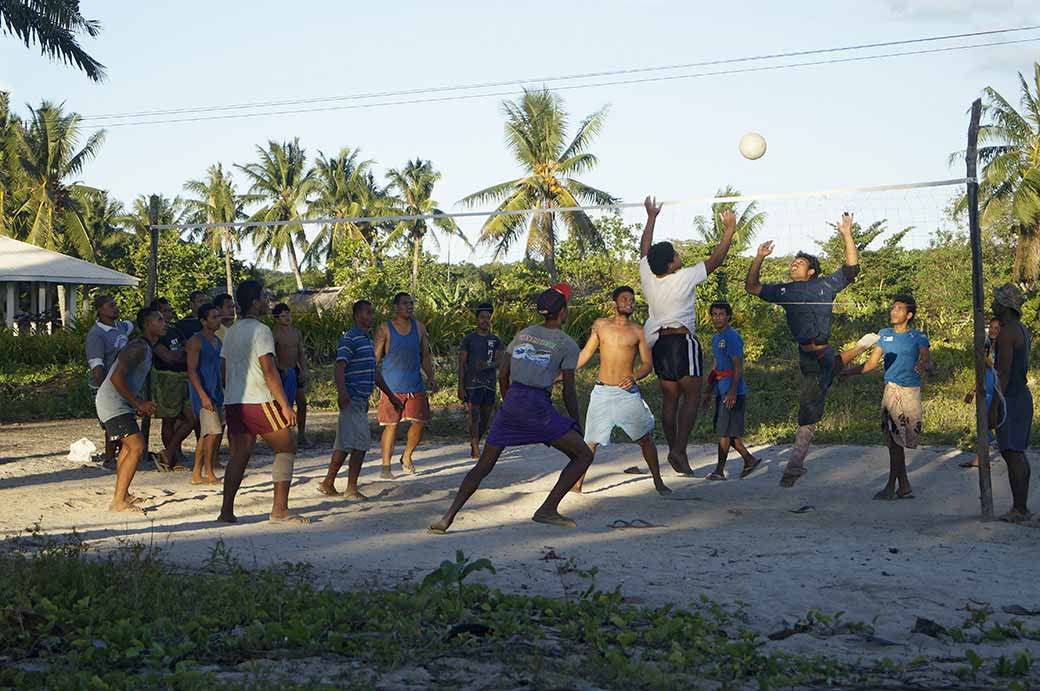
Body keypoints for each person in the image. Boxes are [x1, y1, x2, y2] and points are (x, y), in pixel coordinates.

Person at [430, 284, 592, 534]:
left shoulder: (523, 334)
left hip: (513, 401)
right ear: (563, 313)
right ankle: (547, 509)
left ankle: (447, 518)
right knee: (583, 455)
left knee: (483, 465)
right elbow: (568, 389)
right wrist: (576, 421)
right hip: (537, 404)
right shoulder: (567, 344)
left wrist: (509, 402)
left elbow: (503, 374)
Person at [745, 212, 878, 487]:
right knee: (821, 387)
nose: (794, 266)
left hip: (823, 351)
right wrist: (759, 256)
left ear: (812, 271)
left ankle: (793, 468)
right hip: (807, 357)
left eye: (800, 263)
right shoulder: (784, 291)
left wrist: (846, 234)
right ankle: (861, 347)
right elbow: (752, 287)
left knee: (809, 409)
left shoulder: (825, 285)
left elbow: (852, 269)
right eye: (792, 263)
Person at [640, 196, 739, 476]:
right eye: (676, 254)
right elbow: (716, 260)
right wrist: (729, 229)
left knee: (670, 400)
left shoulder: (648, 276)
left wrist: (651, 217)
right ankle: (679, 450)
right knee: (692, 398)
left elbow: (644, 248)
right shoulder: (682, 277)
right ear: (671, 264)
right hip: (682, 343)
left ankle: (675, 450)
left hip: (659, 344)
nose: (679, 255)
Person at [218, 280, 306, 524]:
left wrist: (232, 392)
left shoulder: (232, 331)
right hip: (258, 399)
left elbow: (223, 369)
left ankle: (226, 511)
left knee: (239, 455)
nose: (268, 302)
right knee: (286, 446)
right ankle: (279, 509)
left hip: (234, 401)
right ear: (255, 302)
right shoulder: (261, 331)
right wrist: (285, 406)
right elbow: (269, 371)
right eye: (264, 298)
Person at [572, 286, 670, 495]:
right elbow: (585, 354)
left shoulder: (638, 331)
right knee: (590, 441)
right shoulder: (601, 325)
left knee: (644, 438)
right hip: (602, 392)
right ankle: (577, 484)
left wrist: (634, 376)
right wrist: (564, 373)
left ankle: (658, 482)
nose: (629, 302)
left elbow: (647, 364)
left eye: (632, 300)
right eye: (625, 299)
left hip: (627, 393)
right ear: (614, 304)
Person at [842, 296, 931, 499]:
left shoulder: (918, 337)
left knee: (898, 441)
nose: (893, 312)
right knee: (893, 440)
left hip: (909, 393)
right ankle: (895, 486)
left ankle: (900, 485)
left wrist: (924, 366)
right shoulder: (884, 335)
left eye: (899, 309)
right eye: (893, 308)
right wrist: (848, 372)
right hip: (891, 391)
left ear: (909, 315)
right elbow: (871, 364)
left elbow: (927, 360)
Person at [318, 300, 404, 500]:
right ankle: (351, 488)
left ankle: (328, 483)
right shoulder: (350, 339)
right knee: (360, 444)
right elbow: (339, 366)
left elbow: (374, 372)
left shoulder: (366, 340)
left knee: (344, 444)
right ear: (358, 316)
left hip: (361, 400)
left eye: (372, 312)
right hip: (352, 399)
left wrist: (391, 396)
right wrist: (342, 393)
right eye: (368, 312)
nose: (371, 315)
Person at [94, 306, 164, 512]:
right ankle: (118, 501)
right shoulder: (138, 347)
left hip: (119, 402)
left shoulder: (147, 348)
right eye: (158, 319)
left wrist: (138, 401)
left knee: (127, 448)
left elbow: (129, 379)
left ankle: (123, 494)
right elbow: (116, 377)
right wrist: (138, 403)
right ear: (147, 324)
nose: (164, 323)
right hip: (112, 402)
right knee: (137, 447)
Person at [374, 292, 438, 478]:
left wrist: (431, 377)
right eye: (405, 303)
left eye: (411, 303)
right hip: (391, 385)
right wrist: (371, 380)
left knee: (420, 422)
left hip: (415, 384)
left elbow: (425, 356)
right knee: (391, 425)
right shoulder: (385, 328)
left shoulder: (419, 328)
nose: (409, 306)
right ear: (396, 307)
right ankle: (386, 467)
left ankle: (407, 456)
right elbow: (375, 358)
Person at [701, 301, 762, 481]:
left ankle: (719, 470)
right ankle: (749, 459)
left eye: (721, 314)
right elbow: (716, 365)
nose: (717, 318)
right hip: (721, 389)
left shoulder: (732, 336)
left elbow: (738, 366)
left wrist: (733, 391)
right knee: (728, 430)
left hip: (732, 390)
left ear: (728, 316)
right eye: (714, 314)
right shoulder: (715, 338)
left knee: (723, 432)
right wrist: (708, 391)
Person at [990, 283, 1033, 522]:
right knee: (1016, 452)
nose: (992, 304)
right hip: (1019, 396)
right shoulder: (1020, 329)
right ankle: (1021, 506)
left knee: (1012, 453)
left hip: (1012, 398)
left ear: (1005, 305)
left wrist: (995, 404)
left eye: (996, 300)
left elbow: (1003, 373)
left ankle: (1020, 509)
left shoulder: (1007, 332)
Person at [85, 294, 135, 464]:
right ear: (100, 310)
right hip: (104, 382)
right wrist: (105, 389)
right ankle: (109, 457)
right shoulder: (96, 335)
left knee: (123, 417)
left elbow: (134, 324)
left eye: (115, 305)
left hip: (120, 381)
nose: (115, 308)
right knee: (111, 421)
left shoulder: (120, 326)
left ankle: (121, 454)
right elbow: (97, 366)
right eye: (110, 305)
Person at [150, 297, 196, 471]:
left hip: (183, 375)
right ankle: (171, 456)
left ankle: (169, 451)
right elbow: (168, 357)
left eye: (169, 311)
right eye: (163, 312)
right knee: (169, 419)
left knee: (191, 418)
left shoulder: (175, 330)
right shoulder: (155, 336)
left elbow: (188, 348)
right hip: (166, 378)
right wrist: (181, 354)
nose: (168, 315)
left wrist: (181, 354)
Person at [458, 303, 504, 459]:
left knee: (486, 416)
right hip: (472, 382)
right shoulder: (468, 340)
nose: (485, 320)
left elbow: (499, 361)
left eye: (488, 318)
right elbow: (461, 363)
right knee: (474, 413)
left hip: (489, 383)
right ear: (477, 320)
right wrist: (460, 385)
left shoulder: (495, 340)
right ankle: (475, 445)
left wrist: (487, 365)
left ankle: (476, 439)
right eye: (482, 317)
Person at [185, 302, 224, 486]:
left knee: (207, 433)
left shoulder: (217, 341)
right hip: (202, 392)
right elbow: (191, 371)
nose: (218, 320)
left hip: (215, 390)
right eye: (214, 317)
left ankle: (196, 473)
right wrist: (202, 396)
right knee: (213, 431)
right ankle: (208, 471)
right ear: (203, 321)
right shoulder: (195, 341)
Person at [961, 317, 1001, 468]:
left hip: (996, 391)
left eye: (996, 328)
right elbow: (982, 372)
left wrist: (982, 356)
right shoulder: (988, 345)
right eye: (991, 327)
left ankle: (996, 445)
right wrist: (972, 390)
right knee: (982, 421)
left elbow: (995, 366)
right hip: (985, 389)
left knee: (986, 422)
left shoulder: (1003, 347)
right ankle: (981, 458)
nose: (992, 331)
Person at [272, 303, 310, 447]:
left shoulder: (296, 332)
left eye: (288, 314)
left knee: (302, 402)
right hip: (282, 372)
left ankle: (301, 435)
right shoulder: (274, 333)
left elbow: (301, 353)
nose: (287, 317)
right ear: (276, 318)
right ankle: (283, 435)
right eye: (283, 315)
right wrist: (279, 369)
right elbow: (272, 354)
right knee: (283, 405)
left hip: (295, 369)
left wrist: (304, 369)